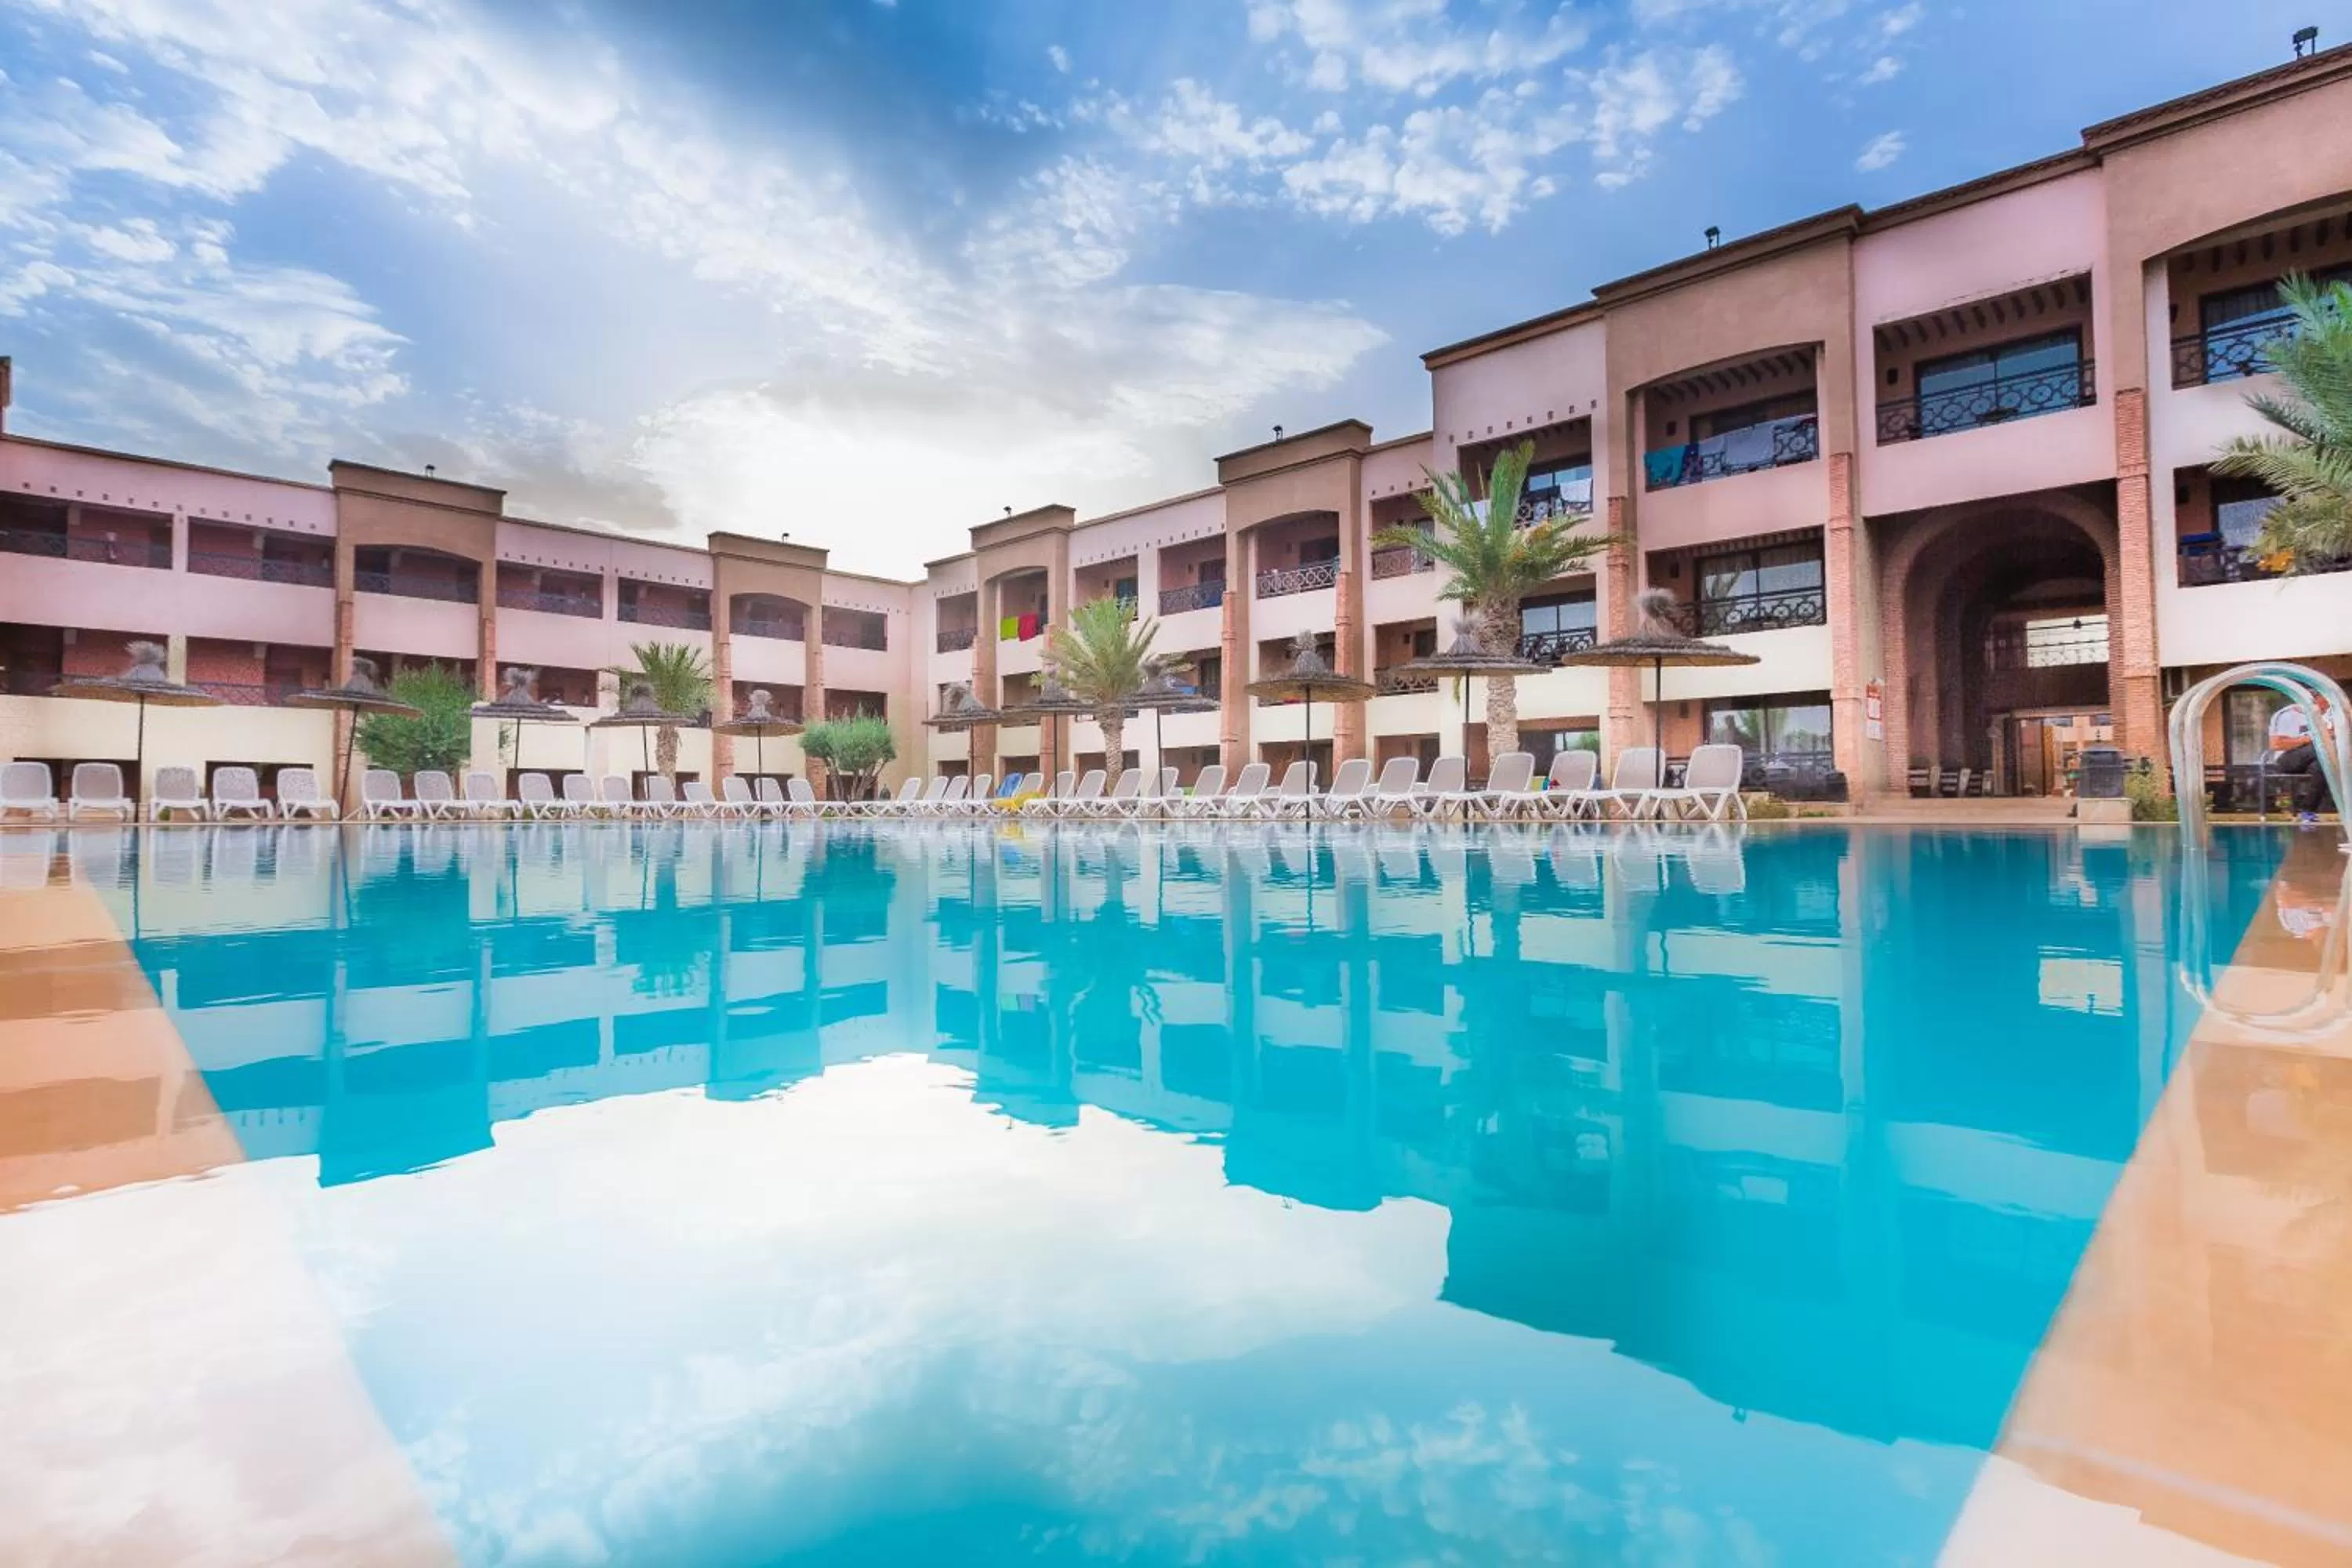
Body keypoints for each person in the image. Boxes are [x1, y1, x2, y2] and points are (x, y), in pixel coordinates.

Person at [2270, 694, 2337, 822]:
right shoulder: (2288, 715)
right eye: (2325, 702)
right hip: (2286, 759)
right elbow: (2276, 744)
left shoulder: (2325, 716)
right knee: (2321, 750)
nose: (2328, 706)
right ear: (2314, 699)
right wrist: (2313, 738)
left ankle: (2308, 811)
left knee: (2322, 766)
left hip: (2313, 758)